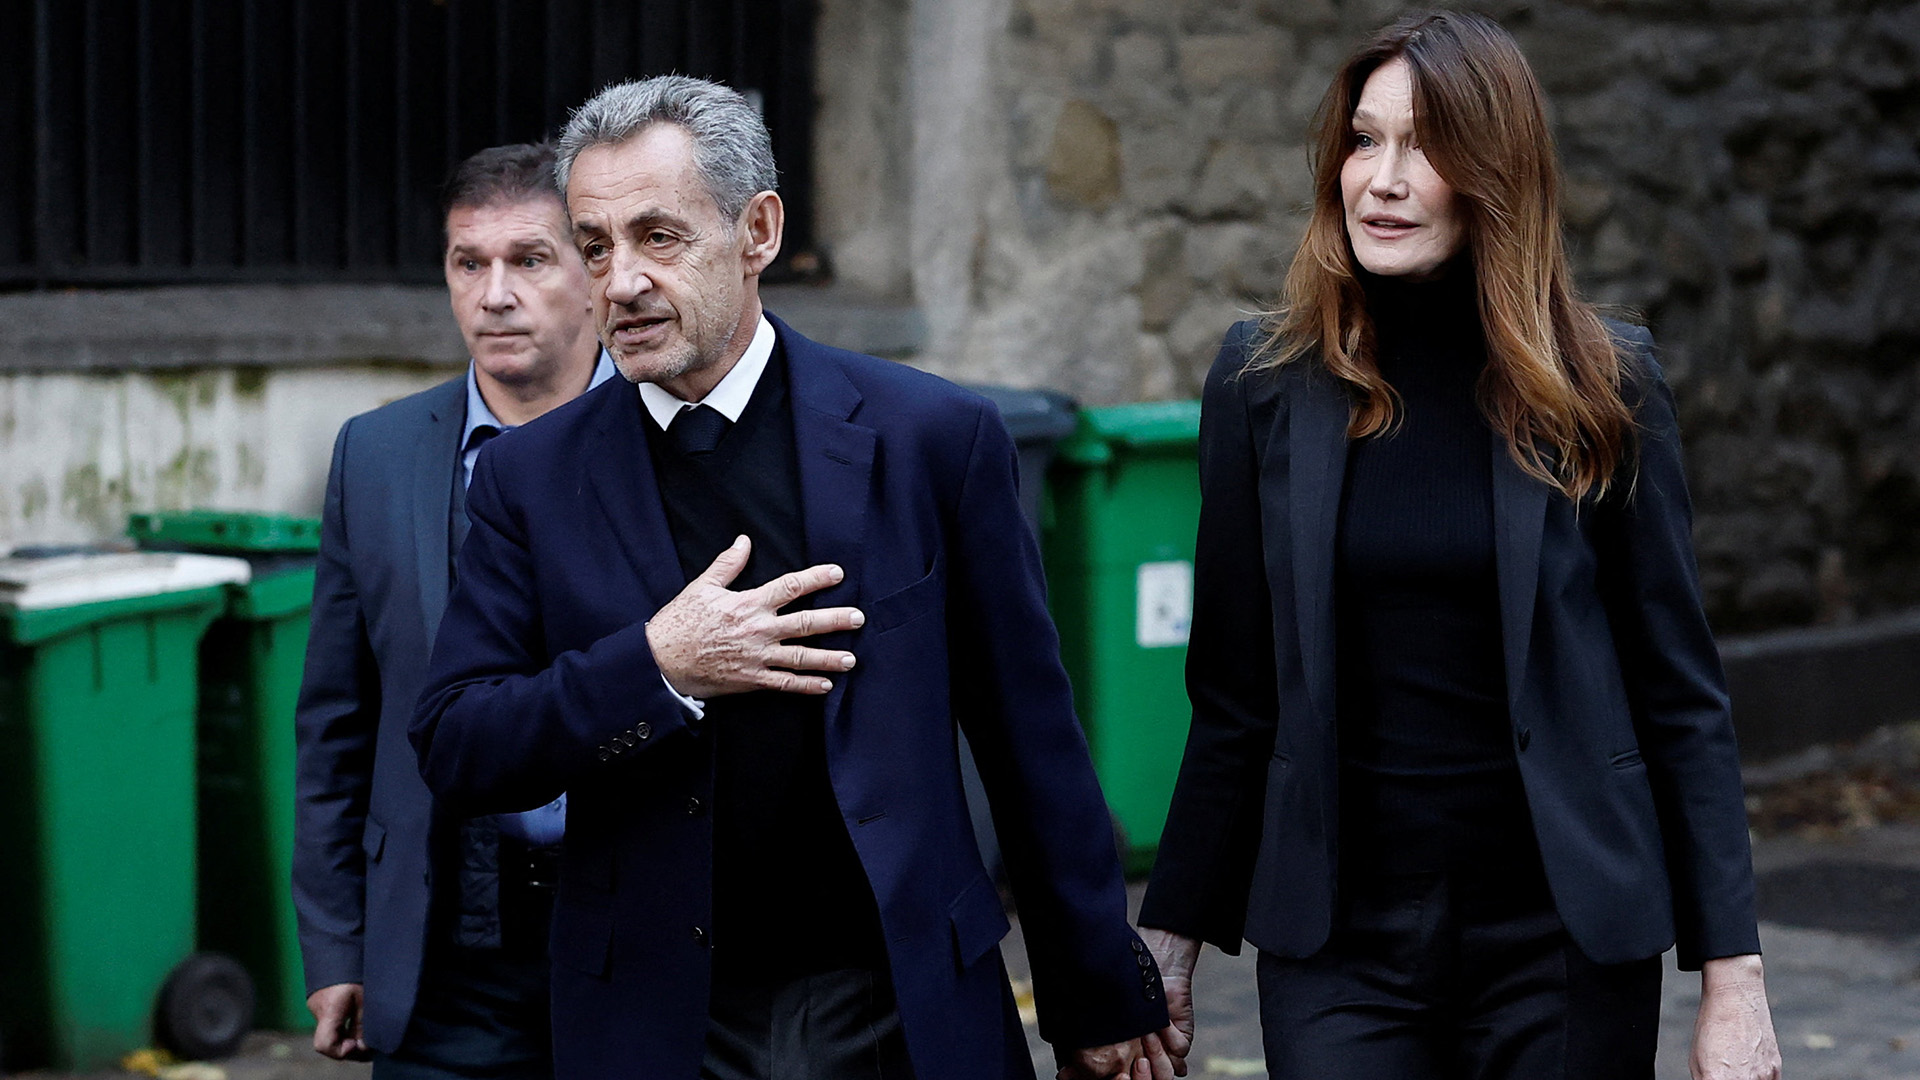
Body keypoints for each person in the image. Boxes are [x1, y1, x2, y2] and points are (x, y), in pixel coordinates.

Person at [407, 76, 1174, 1080]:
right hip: (659, 1019)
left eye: (658, 237)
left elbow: (1028, 735)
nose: (621, 282)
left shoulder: (931, 437)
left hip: (897, 997)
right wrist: (658, 667)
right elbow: (458, 741)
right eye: (594, 247)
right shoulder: (531, 477)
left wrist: (1095, 994)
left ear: (758, 232)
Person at [1136, 12, 1781, 1080]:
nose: (1382, 180)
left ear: (1495, 173)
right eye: (1364, 140)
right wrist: (1170, 944)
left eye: (1424, 146)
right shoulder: (1265, 382)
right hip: (1341, 945)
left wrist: (1735, 981)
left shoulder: (1605, 384)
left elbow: (1680, 695)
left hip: (1559, 941)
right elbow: (1236, 697)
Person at [293, 142, 615, 1077]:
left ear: (593, 273)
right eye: (469, 263)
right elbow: (337, 720)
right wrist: (337, 945)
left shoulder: (670, 435)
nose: (494, 295)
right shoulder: (376, 454)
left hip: (636, 931)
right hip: (439, 947)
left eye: (530, 260)